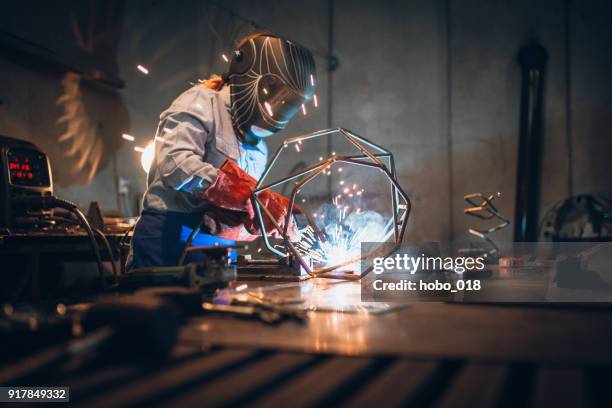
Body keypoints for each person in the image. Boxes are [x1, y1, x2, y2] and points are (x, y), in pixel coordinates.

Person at [129, 32, 316, 269]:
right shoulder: (200, 103)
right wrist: (242, 193)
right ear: (249, 73)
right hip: (168, 237)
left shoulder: (260, 148)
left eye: (287, 102)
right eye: (275, 93)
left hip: (218, 249)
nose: (277, 105)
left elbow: (240, 212)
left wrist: (248, 223)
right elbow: (175, 166)